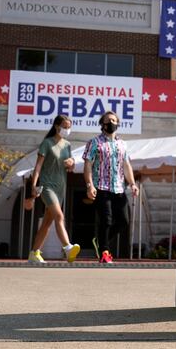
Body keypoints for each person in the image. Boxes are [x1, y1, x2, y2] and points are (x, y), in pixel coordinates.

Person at [83, 110, 139, 264]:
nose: (111, 123)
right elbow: (87, 166)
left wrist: (133, 184)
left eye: (114, 120)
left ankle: (101, 241)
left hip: (119, 188)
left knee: (123, 221)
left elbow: (126, 165)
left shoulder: (122, 144)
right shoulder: (94, 142)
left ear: (118, 124)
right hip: (101, 187)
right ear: (102, 124)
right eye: (108, 121)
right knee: (106, 220)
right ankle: (105, 252)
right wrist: (89, 185)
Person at [27, 115, 81, 264]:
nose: (67, 129)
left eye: (69, 127)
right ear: (57, 126)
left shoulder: (67, 145)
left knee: (47, 223)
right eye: (65, 126)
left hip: (60, 186)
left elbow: (70, 167)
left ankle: (34, 253)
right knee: (60, 216)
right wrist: (33, 185)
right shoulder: (47, 143)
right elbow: (38, 166)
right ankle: (67, 247)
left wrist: (72, 163)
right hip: (47, 186)